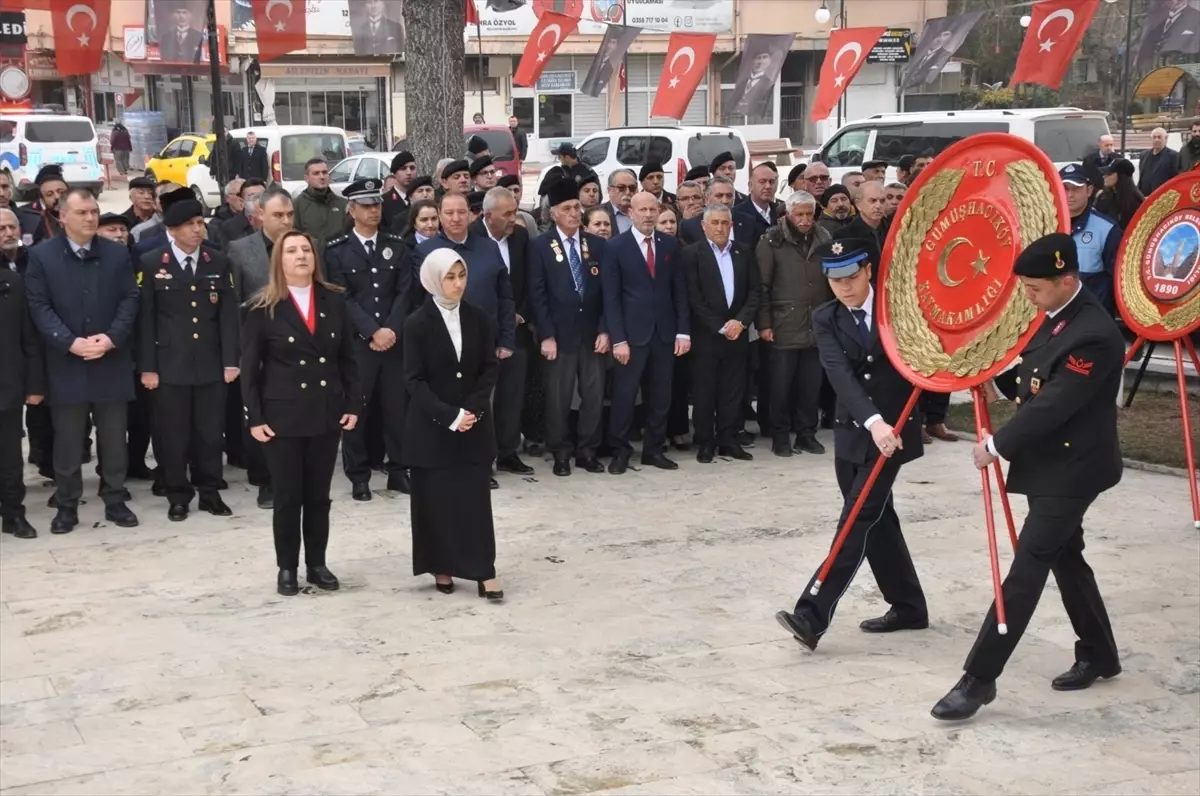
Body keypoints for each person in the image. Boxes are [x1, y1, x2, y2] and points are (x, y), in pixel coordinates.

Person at [932, 233, 1123, 721]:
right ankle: (1100, 653)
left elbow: (1056, 404)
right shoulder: (1058, 317)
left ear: (1067, 280)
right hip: (1049, 464)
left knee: (1028, 566)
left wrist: (996, 446)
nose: (1028, 297)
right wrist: (990, 376)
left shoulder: (1095, 335)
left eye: (1036, 288)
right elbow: (1033, 376)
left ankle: (978, 679)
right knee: (1065, 557)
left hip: (1073, 468)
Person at [774, 238, 929, 652]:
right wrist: (872, 422)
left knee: (857, 518)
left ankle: (812, 612)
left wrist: (887, 424)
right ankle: (909, 605)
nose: (843, 287)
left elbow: (924, 357)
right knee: (877, 521)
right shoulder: (826, 318)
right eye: (834, 280)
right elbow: (839, 374)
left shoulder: (898, 310)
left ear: (868, 272)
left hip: (894, 435)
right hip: (855, 431)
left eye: (850, 278)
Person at [242, 230, 360, 595]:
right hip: (282, 417)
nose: (300, 256)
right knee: (288, 496)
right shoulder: (263, 306)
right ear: (279, 260)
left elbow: (349, 360)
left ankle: (317, 563)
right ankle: (287, 567)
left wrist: (353, 403)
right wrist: (255, 417)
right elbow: (250, 368)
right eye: (291, 250)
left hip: (325, 413)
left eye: (306, 249)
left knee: (319, 496)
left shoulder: (335, 301)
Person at [25, 188, 141, 533]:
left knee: (113, 437)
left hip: (110, 359)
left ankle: (115, 498)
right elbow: (39, 307)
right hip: (67, 363)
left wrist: (110, 339)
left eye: (94, 211)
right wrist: (69, 342)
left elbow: (130, 300)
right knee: (69, 439)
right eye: (82, 213)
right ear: (63, 217)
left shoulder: (116, 255)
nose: (91, 218)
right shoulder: (42, 257)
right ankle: (67, 504)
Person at [403, 248, 503, 600]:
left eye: (461, 276)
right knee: (436, 501)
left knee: (474, 501)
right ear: (434, 279)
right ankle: (440, 565)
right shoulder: (416, 324)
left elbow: (488, 367)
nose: (458, 284)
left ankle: (483, 570)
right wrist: (449, 415)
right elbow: (414, 381)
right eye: (450, 277)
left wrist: (471, 411)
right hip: (432, 428)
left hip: (473, 425)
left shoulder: (478, 318)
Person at [136, 192, 238, 521]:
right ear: (174, 230)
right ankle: (178, 494)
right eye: (191, 225)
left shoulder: (218, 262)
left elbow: (227, 317)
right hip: (170, 367)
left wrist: (231, 360)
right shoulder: (153, 264)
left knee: (210, 434)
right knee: (173, 435)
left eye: (200, 224)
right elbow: (146, 320)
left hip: (209, 365)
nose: (198, 230)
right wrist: (148, 368)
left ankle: (209, 492)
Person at [323, 178, 412, 498]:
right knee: (356, 411)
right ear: (352, 209)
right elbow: (339, 297)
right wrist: (372, 330)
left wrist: (390, 330)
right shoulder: (336, 250)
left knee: (396, 409)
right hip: (358, 345)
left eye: (376, 204)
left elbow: (405, 292)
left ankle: (399, 470)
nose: (373, 210)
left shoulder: (396, 245)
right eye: (366, 206)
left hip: (393, 342)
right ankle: (359, 476)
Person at [602, 191, 690, 474]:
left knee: (661, 395)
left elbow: (679, 291)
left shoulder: (668, 245)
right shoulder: (616, 247)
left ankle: (653, 450)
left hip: (664, 334)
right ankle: (620, 451)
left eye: (654, 209)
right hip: (631, 336)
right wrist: (618, 339)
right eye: (643, 210)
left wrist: (683, 332)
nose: (649, 215)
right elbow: (611, 298)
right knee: (625, 396)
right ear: (631, 213)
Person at [529, 179, 608, 476]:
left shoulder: (596, 245)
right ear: (554, 214)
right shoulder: (540, 247)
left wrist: (605, 329)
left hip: (591, 335)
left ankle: (587, 450)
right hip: (559, 336)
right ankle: (560, 452)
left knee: (593, 395)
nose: (575, 213)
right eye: (568, 208)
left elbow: (607, 293)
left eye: (577, 207)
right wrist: (546, 335)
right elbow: (537, 294)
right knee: (558, 398)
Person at [228, 189, 295, 509]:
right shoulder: (240, 251)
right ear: (259, 216)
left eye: (289, 215)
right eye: (278, 215)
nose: (285, 221)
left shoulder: (303, 247)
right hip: (258, 346)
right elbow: (235, 304)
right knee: (259, 412)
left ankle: (290, 474)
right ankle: (265, 480)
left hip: (298, 347)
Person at [682, 202, 759, 463]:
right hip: (707, 336)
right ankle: (705, 441)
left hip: (737, 335)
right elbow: (694, 298)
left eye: (724, 223)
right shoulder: (692, 254)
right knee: (704, 392)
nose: (719, 227)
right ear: (703, 226)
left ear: (731, 225)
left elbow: (754, 292)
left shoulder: (744, 252)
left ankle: (728, 440)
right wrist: (720, 325)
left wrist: (741, 322)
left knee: (733, 391)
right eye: (714, 223)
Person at [757, 191, 832, 456]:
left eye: (808, 214)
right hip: (783, 324)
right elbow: (762, 286)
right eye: (799, 214)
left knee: (810, 385)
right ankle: (780, 436)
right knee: (781, 386)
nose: (804, 220)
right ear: (788, 213)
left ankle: (806, 434)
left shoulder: (824, 239)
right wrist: (764, 323)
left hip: (816, 324)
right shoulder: (771, 241)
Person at [472, 187, 534, 477]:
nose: (514, 218)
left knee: (512, 394)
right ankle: (483, 458)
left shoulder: (520, 237)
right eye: (507, 214)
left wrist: (520, 313)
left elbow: (530, 281)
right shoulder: (471, 238)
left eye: (515, 211)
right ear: (488, 215)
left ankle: (509, 451)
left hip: (515, 330)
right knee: (483, 398)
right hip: (480, 333)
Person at [0, 253, 44, 539]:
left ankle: (13, 513)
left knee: (10, 457)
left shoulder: (12, 282)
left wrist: (35, 384)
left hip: (7, 384)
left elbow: (29, 337)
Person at [1060, 164, 1120, 315]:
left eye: (1076, 188)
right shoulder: (1045, 226)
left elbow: (1118, 280)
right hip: (1054, 318)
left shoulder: (1107, 229)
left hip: (1093, 318)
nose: (1070, 195)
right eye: (1065, 188)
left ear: (1089, 190)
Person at [293, 158, 348, 253]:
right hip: (313, 259)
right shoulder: (298, 205)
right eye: (316, 173)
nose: (322, 177)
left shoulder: (342, 204)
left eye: (324, 172)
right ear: (306, 178)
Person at [16, 166, 67, 246]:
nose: (57, 197)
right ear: (42, 199)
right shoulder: (25, 214)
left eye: (61, 192)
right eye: (50, 194)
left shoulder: (80, 211)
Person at [1093, 158, 1144, 230]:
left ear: (1121, 176)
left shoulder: (1134, 201)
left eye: (1109, 174)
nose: (1104, 176)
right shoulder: (1103, 196)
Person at [219, 179, 266, 245]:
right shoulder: (230, 227)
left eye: (262, 196)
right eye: (252, 197)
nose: (258, 201)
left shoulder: (275, 220)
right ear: (242, 201)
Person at [732, 50, 775, 118]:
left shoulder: (768, 83)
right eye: (757, 57)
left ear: (770, 61)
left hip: (755, 119)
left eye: (764, 57)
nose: (760, 62)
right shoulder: (743, 81)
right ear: (751, 61)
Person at [1136, 128, 1179, 196]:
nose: (1156, 140)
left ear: (1166, 138)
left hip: (1161, 197)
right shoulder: (1144, 155)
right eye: (1154, 137)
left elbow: (1176, 178)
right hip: (1144, 197)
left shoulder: (1173, 156)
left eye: (1159, 137)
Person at [383, 151, 417, 230]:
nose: (409, 172)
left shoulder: (422, 197)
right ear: (394, 173)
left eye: (412, 168)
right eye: (403, 169)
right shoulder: (384, 202)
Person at [601, 169, 637, 235]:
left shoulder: (643, 211)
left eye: (632, 188)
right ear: (609, 190)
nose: (627, 192)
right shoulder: (599, 212)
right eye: (621, 188)